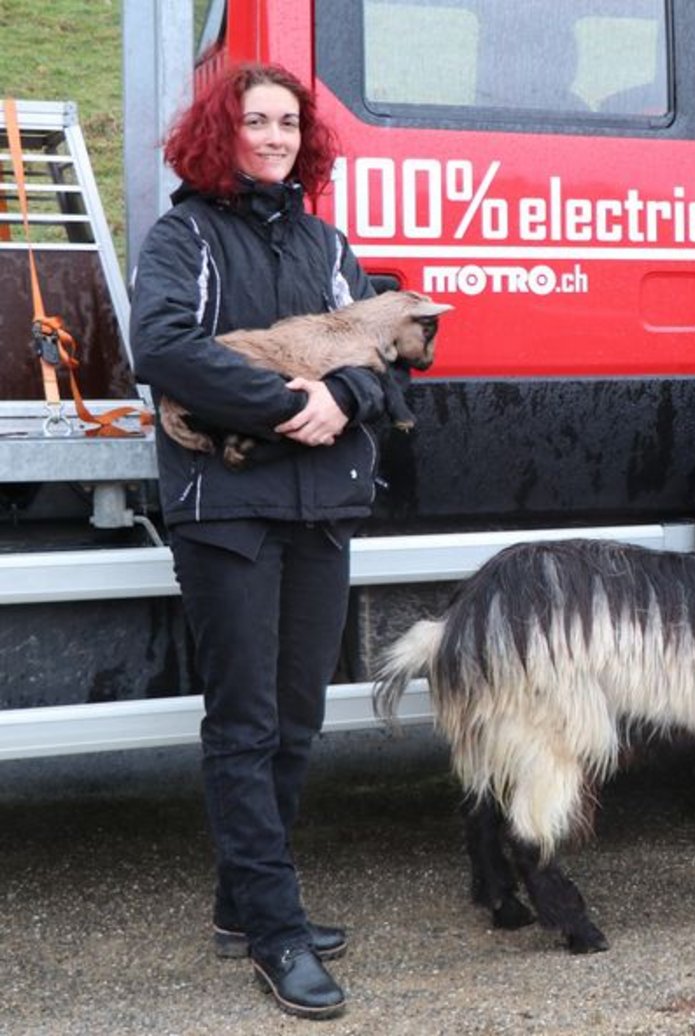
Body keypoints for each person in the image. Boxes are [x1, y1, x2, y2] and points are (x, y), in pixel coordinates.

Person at [130, 64, 388, 1018]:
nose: (274, 136)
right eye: (256, 121)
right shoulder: (184, 235)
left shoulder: (325, 242)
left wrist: (346, 396)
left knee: (296, 721)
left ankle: (246, 906)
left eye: (287, 122)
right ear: (220, 131)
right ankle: (276, 930)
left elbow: (381, 358)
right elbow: (160, 349)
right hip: (227, 511)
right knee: (243, 726)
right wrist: (289, 405)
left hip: (322, 505)